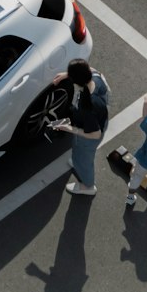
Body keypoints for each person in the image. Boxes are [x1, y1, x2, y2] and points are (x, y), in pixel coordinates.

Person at [48, 58, 110, 196]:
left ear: (76, 81)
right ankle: (78, 163)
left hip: (89, 137)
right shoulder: (96, 79)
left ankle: (88, 186)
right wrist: (67, 74)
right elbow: (93, 70)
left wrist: (68, 128)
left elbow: (95, 134)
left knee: (84, 160)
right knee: (80, 155)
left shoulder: (86, 107)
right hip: (100, 121)